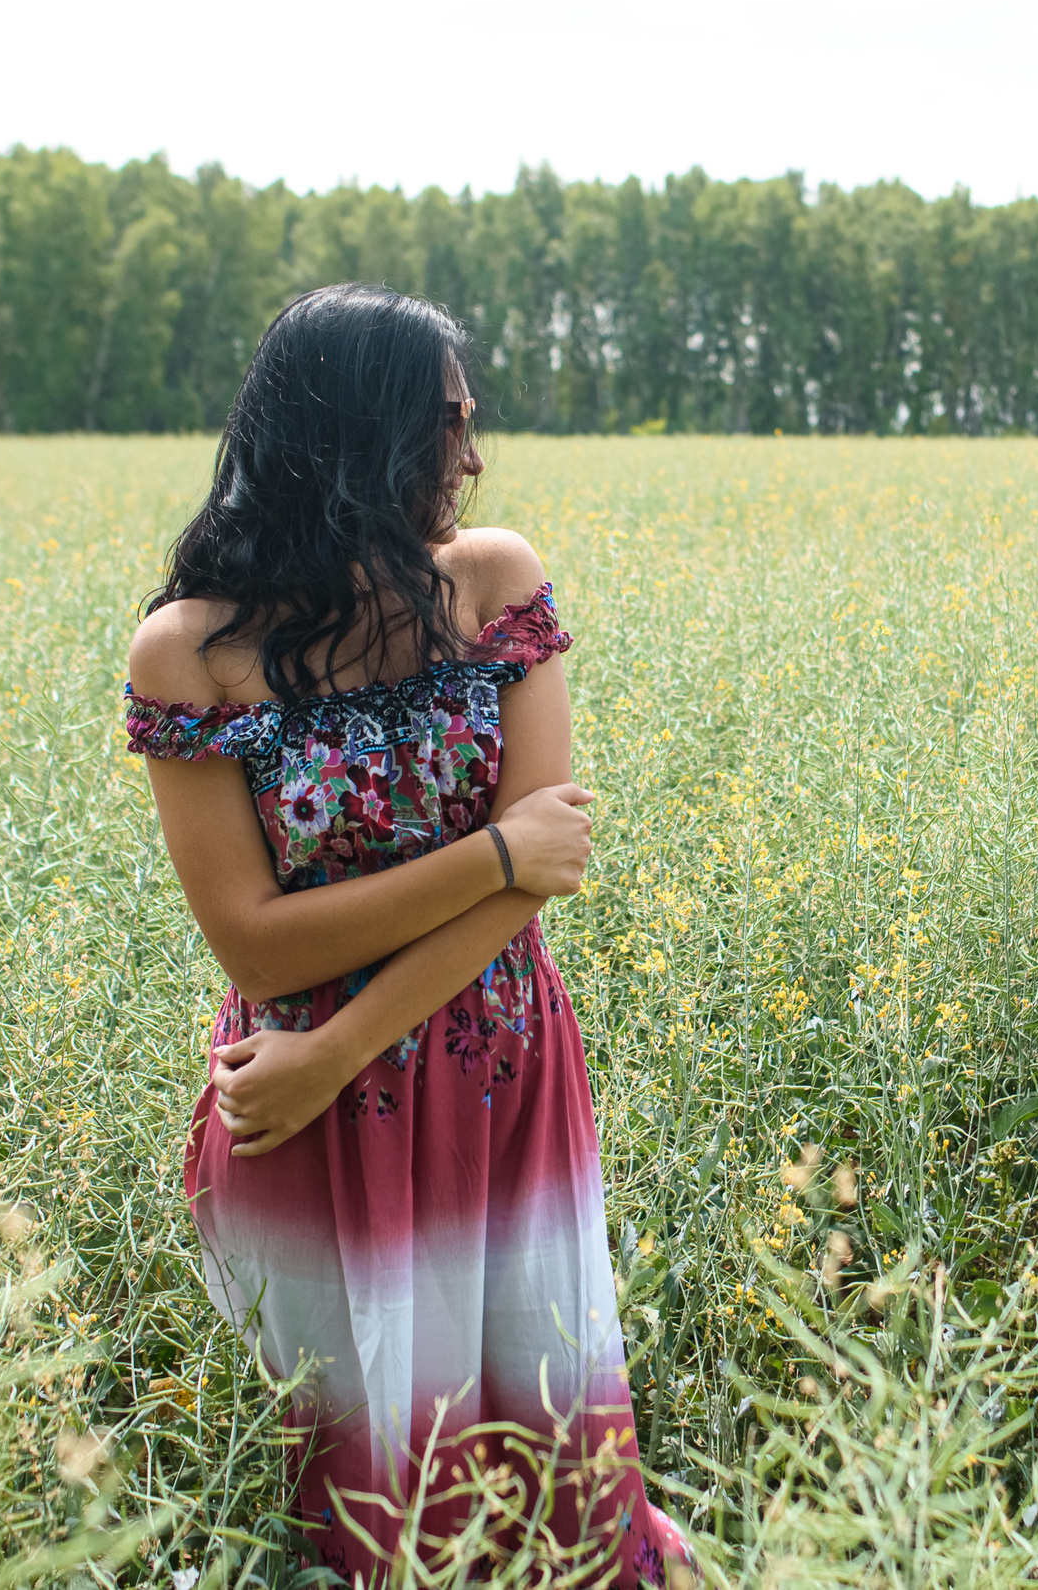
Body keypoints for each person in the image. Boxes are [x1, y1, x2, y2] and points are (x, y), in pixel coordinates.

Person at [123, 284, 694, 1584]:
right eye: (447, 422)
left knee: (552, 1441)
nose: (473, 453)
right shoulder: (190, 654)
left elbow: (536, 883)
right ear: (352, 433)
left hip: (492, 1061)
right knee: (362, 1478)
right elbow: (261, 948)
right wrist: (492, 853)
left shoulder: (496, 578)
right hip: (299, 1101)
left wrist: (350, 1037)